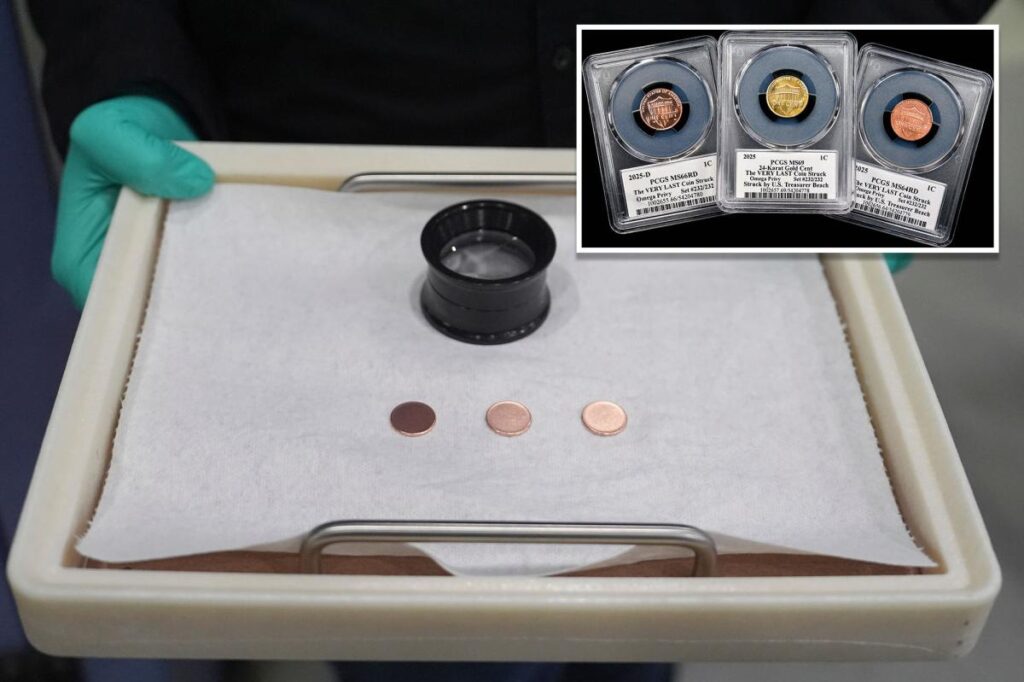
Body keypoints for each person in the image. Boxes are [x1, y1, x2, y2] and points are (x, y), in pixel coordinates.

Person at [12, 2, 990, 681]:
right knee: (410, 635)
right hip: (318, 168)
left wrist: (890, 97)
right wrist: (121, 58)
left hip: (717, 140)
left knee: (654, 596)